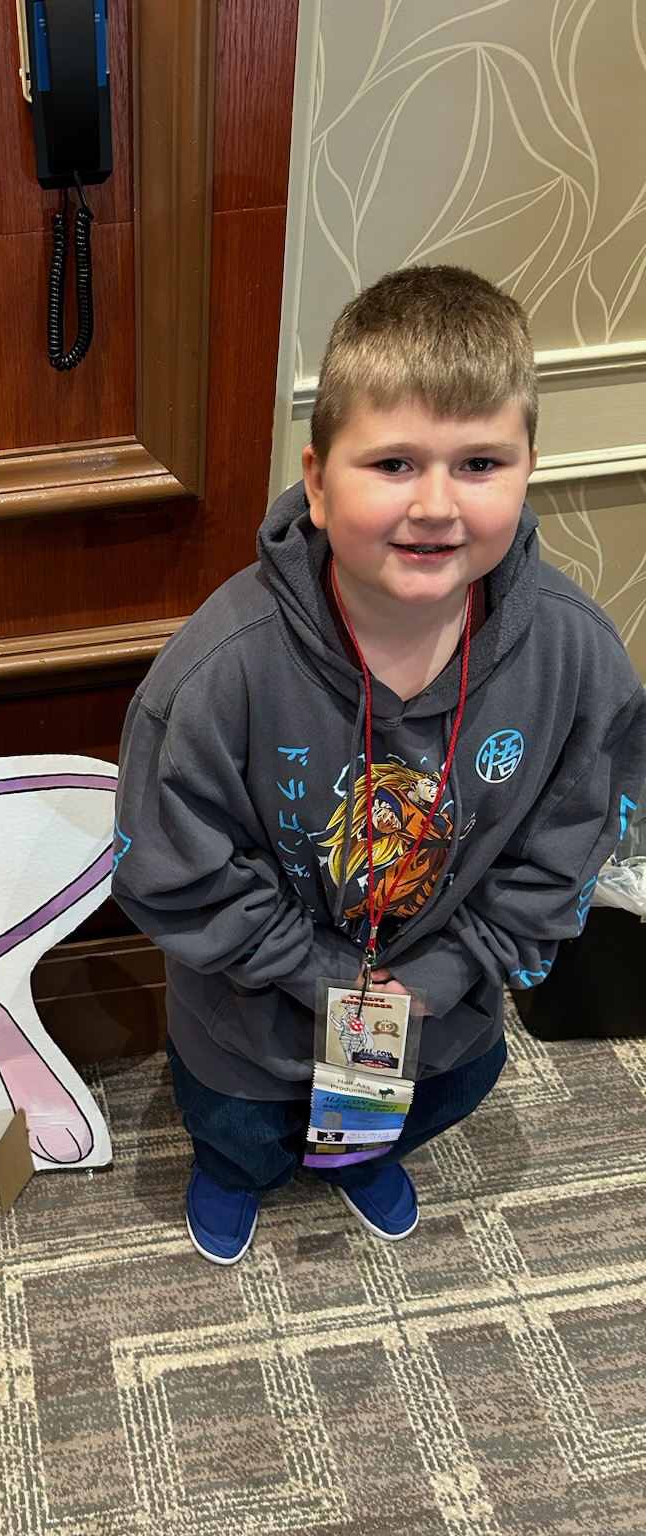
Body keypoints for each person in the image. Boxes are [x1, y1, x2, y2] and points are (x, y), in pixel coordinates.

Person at [112, 264, 646, 1262]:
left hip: (444, 1008)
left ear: (529, 467)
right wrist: (322, 977)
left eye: (480, 463)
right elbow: (172, 868)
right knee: (238, 1127)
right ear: (318, 483)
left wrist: (446, 971)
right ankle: (232, 1172)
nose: (436, 505)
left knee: (415, 1105)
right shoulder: (217, 671)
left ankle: (355, 1161)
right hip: (253, 1018)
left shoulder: (575, 657)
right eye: (393, 463)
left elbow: (573, 841)